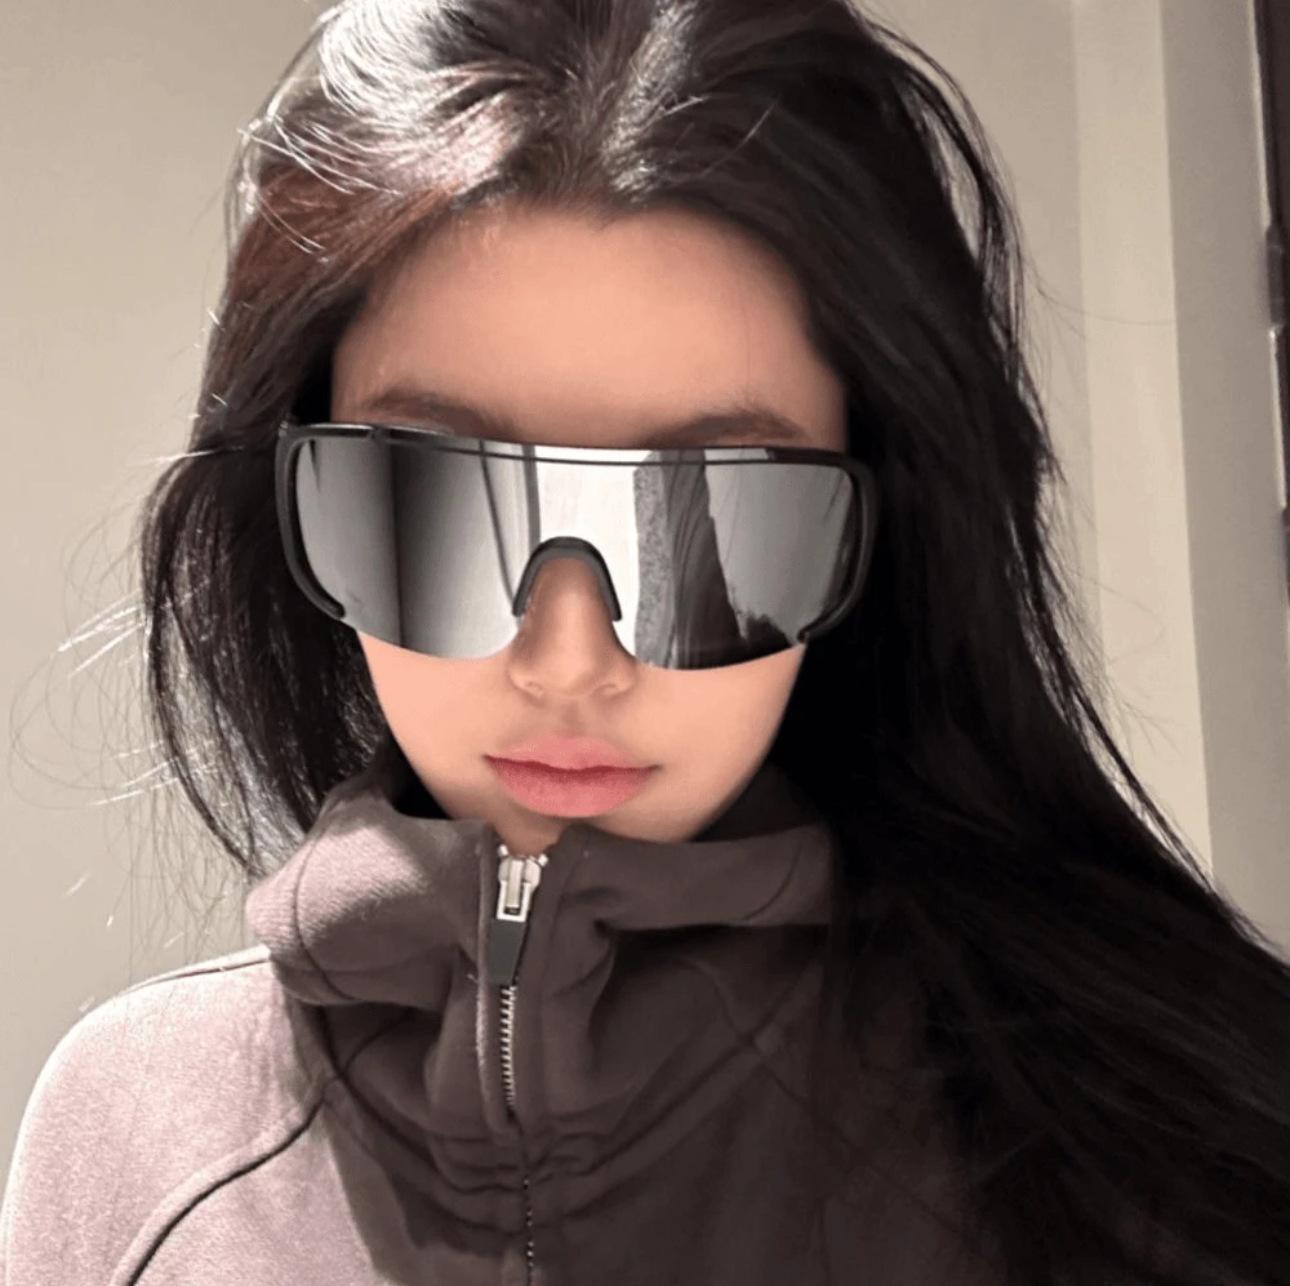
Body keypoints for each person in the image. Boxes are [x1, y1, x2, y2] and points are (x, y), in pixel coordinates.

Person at [3, 0, 1288, 1282]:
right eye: (436, 504)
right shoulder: (133, 1141)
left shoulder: (1169, 1157)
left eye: (713, 525)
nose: (569, 659)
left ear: (879, 533)